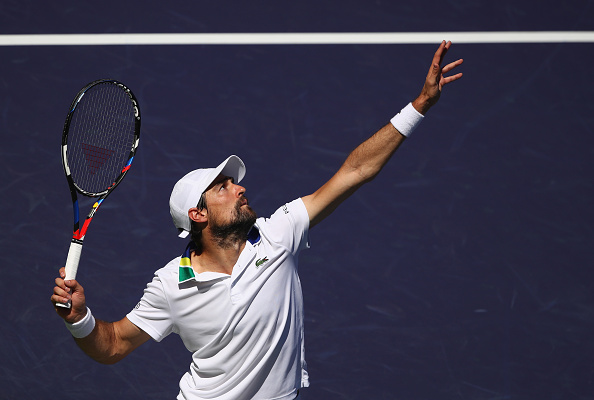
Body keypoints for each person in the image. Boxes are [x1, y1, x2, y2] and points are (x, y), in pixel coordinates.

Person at [52, 41, 463, 399]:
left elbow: (354, 171)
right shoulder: (170, 286)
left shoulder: (278, 234)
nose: (239, 189)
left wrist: (419, 106)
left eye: (235, 183)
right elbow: (113, 345)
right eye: (223, 187)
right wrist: (79, 319)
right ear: (197, 215)